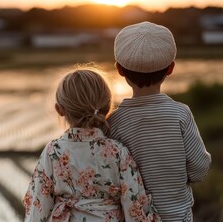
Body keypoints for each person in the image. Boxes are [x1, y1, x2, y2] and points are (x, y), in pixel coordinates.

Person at [23, 68, 160, 222]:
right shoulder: (117, 152)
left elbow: (37, 207)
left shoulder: (53, 152)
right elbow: (135, 209)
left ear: (59, 110)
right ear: (107, 107)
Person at [108, 21, 212, 221]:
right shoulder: (181, 114)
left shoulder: (114, 122)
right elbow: (199, 169)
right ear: (171, 68)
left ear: (119, 69)